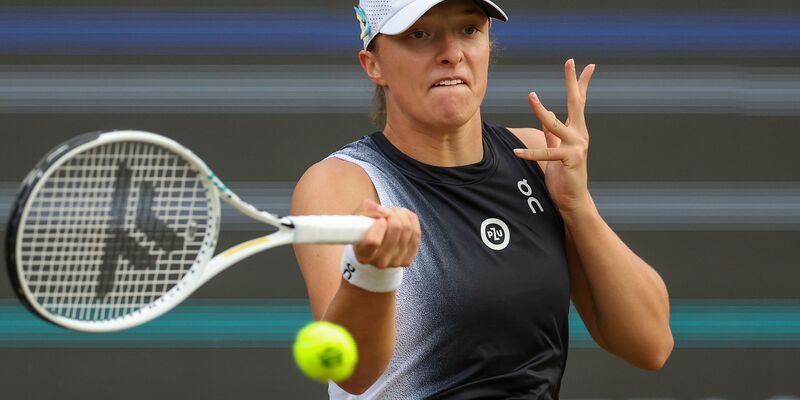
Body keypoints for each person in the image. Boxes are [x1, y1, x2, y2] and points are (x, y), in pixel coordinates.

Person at [291, 0, 674, 398]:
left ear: (488, 45)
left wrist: (578, 208)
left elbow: (652, 344)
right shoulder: (342, 183)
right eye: (419, 35)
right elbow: (350, 372)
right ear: (374, 65)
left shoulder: (535, 155)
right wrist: (370, 271)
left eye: (469, 30)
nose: (451, 53)